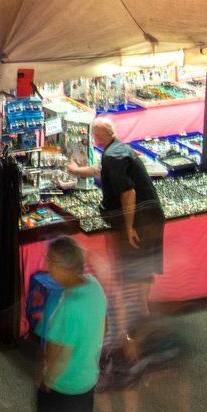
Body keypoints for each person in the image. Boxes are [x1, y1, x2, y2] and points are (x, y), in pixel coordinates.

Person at [65, 119, 163, 357]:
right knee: (142, 266)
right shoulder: (118, 149)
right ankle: (141, 312)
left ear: (98, 136)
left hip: (141, 219)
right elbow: (102, 172)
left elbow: (128, 193)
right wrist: (77, 171)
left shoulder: (112, 155)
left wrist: (128, 227)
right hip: (150, 214)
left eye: (94, 134)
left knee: (134, 267)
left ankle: (134, 323)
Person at [37, 236, 107, 412]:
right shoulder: (95, 286)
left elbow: (59, 353)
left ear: (65, 267)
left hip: (64, 388)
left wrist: (47, 380)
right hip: (87, 381)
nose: (47, 265)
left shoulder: (69, 307)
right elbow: (104, 327)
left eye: (50, 260)